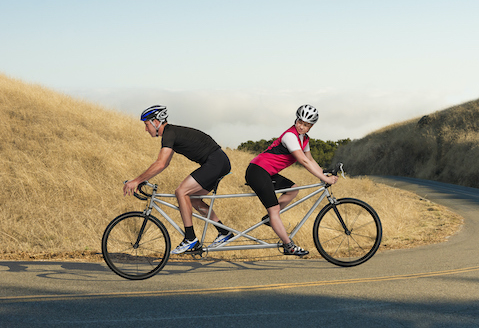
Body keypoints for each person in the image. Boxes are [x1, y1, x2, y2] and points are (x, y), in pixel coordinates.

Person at [123, 105, 234, 254]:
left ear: (156, 122)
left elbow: (160, 163)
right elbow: (165, 163)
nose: (145, 129)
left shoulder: (169, 133)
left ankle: (190, 239)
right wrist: (144, 178)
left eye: (146, 124)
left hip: (215, 161)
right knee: (193, 198)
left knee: (181, 191)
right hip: (219, 161)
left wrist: (136, 180)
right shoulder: (171, 133)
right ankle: (224, 232)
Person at [245, 104, 338, 256]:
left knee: (293, 189)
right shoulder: (290, 136)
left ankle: (270, 219)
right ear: (296, 120)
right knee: (274, 209)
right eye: (299, 122)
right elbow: (303, 161)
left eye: (306, 125)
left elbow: (310, 159)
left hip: (268, 173)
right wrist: (324, 178)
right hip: (257, 171)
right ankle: (288, 246)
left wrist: (324, 175)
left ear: (311, 126)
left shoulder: (304, 139)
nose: (301, 126)